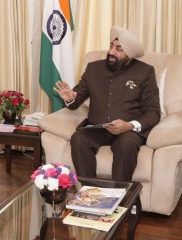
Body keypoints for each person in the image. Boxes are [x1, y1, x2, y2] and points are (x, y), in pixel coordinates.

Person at [54, 26, 160, 181]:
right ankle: (88, 191)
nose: (111, 52)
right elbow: (77, 99)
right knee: (79, 139)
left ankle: (119, 195)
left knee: (127, 144)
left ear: (130, 53)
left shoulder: (145, 72)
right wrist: (70, 98)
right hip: (98, 127)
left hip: (127, 130)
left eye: (119, 49)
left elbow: (153, 112)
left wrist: (129, 125)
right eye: (111, 46)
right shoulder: (93, 68)